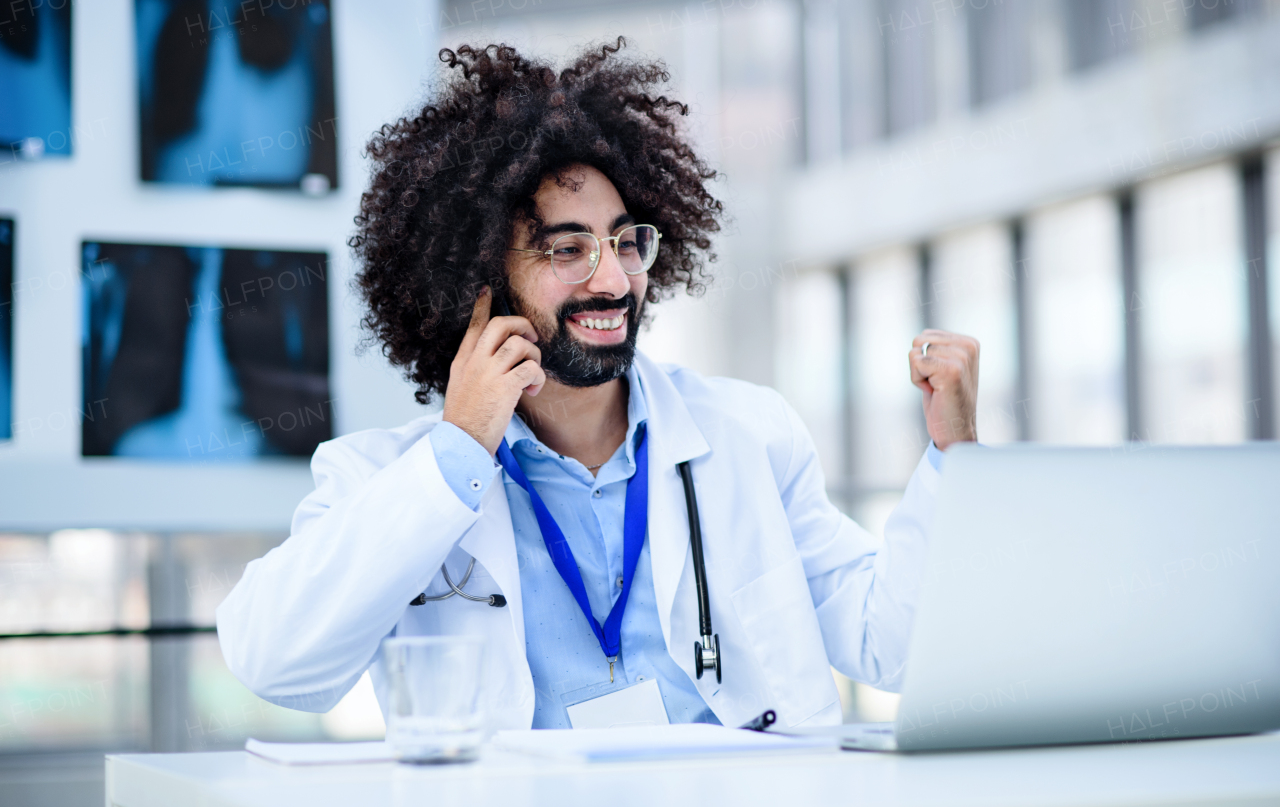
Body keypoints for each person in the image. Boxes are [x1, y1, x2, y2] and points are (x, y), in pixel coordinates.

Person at [216, 38, 980, 730]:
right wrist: (456, 454)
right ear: (476, 277)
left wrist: (954, 458)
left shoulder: (750, 435)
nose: (612, 279)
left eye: (624, 242)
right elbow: (277, 663)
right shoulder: (384, 477)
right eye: (566, 248)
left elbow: (896, 647)